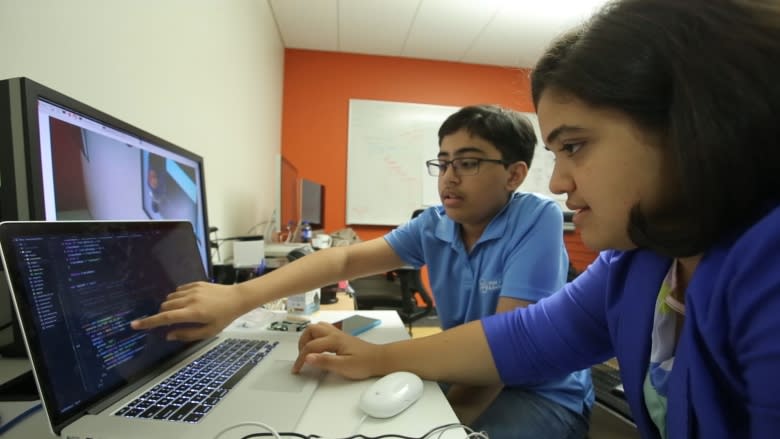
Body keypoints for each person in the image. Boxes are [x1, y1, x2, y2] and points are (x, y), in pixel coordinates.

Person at [285, 1, 780, 438]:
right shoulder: (639, 262)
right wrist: (374, 358)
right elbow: (525, 337)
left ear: (691, 127)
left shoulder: (766, 264)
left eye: (575, 146)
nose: (560, 180)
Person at [132, 105, 593, 437]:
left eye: (468, 163)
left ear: (513, 175)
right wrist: (237, 298)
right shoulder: (435, 225)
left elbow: (507, 348)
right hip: (466, 368)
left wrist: (440, 423)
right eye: (443, 161)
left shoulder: (537, 218)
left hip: (539, 391)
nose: (449, 176)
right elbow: (345, 259)